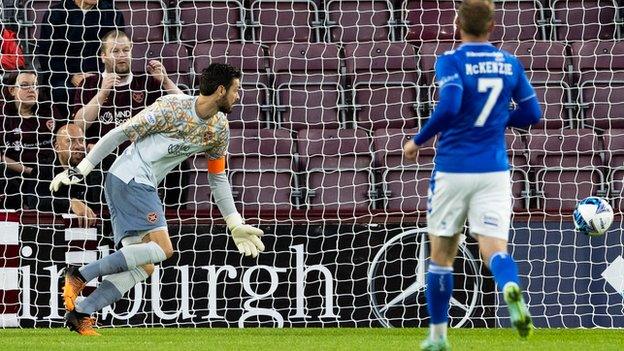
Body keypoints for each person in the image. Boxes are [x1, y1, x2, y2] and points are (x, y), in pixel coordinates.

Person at [50, 63, 265, 336]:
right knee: (164, 250)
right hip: (130, 177)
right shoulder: (172, 107)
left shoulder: (219, 129)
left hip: (133, 183)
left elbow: (218, 178)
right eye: (235, 90)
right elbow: (121, 132)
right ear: (221, 90)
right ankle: (79, 275)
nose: (238, 95)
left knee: (144, 266)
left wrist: (234, 223)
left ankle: (81, 314)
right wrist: (82, 169)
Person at [402, 1, 542, 350]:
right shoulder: (509, 63)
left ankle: (437, 338)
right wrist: (498, 119)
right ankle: (509, 286)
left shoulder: (450, 61)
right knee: (494, 249)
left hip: (453, 169)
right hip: (494, 170)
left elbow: (448, 107)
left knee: (441, 255)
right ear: (492, 25)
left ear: (456, 24)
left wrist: (416, 141)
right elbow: (533, 113)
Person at [73, 30, 183, 149]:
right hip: (101, 158)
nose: (122, 55)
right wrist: (101, 94)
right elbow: (78, 125)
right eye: (115, 51)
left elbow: (186, 108)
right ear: (103, 57)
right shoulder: (89, 83)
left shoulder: (147, 82)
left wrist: (166, 82)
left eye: (126, 50)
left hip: (141, 156)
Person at [36, 0, 124, 119]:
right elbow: (47, 55)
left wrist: (98, 76)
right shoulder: (55, 13)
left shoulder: (113, 13)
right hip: (65, 77)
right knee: (62, 91)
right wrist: (71, 76)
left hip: (101, 74)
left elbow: (118, 50)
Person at [1, 70, 57, 210]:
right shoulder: (3, 116)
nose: (32, 90)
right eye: (25, 85)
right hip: (14, 173)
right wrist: (28, 170)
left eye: (35, 85)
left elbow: (65, 137)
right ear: (12, 90)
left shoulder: (48, 110)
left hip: (48, 172)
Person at [36, 124, 99, 227]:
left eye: (81, 140)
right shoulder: (42, 169)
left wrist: (96, 160)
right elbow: (35, 201)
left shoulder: (93, 168)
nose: (78, 146)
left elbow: (100, 202)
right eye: (70, 141)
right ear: (57, 147)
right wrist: (70, 203)